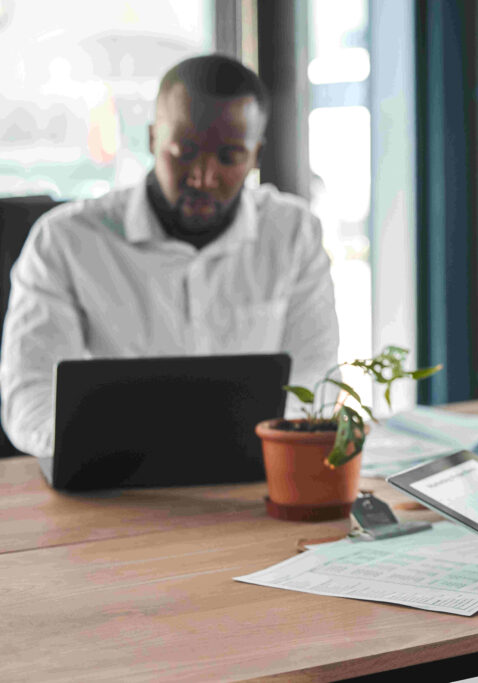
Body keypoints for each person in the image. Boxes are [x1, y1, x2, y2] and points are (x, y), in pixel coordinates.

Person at [0, 55, 339, 458]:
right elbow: (29, 397)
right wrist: (97, 448)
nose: (202, 175)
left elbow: (314, 379)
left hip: (251, 479)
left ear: (256, 157)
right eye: (184, 151)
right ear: (152, 140)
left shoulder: (294, 234)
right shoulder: (63, 241)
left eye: (229, 157)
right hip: (111, 480)